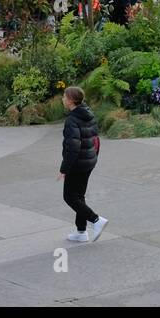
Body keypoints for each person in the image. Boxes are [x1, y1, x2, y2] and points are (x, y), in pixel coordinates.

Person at [59, 86, 107, 243]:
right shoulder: (88, 114)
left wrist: (64, 169)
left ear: (72, 100)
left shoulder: (72, 120)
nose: (63, 99)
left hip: (78, 164)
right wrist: (94, 157)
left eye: (65, 97)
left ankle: (96, 220)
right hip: (89, 161)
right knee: (79, 196)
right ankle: (81, 231)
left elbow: (72, 148)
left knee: (70, 197)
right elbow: (96, 140)